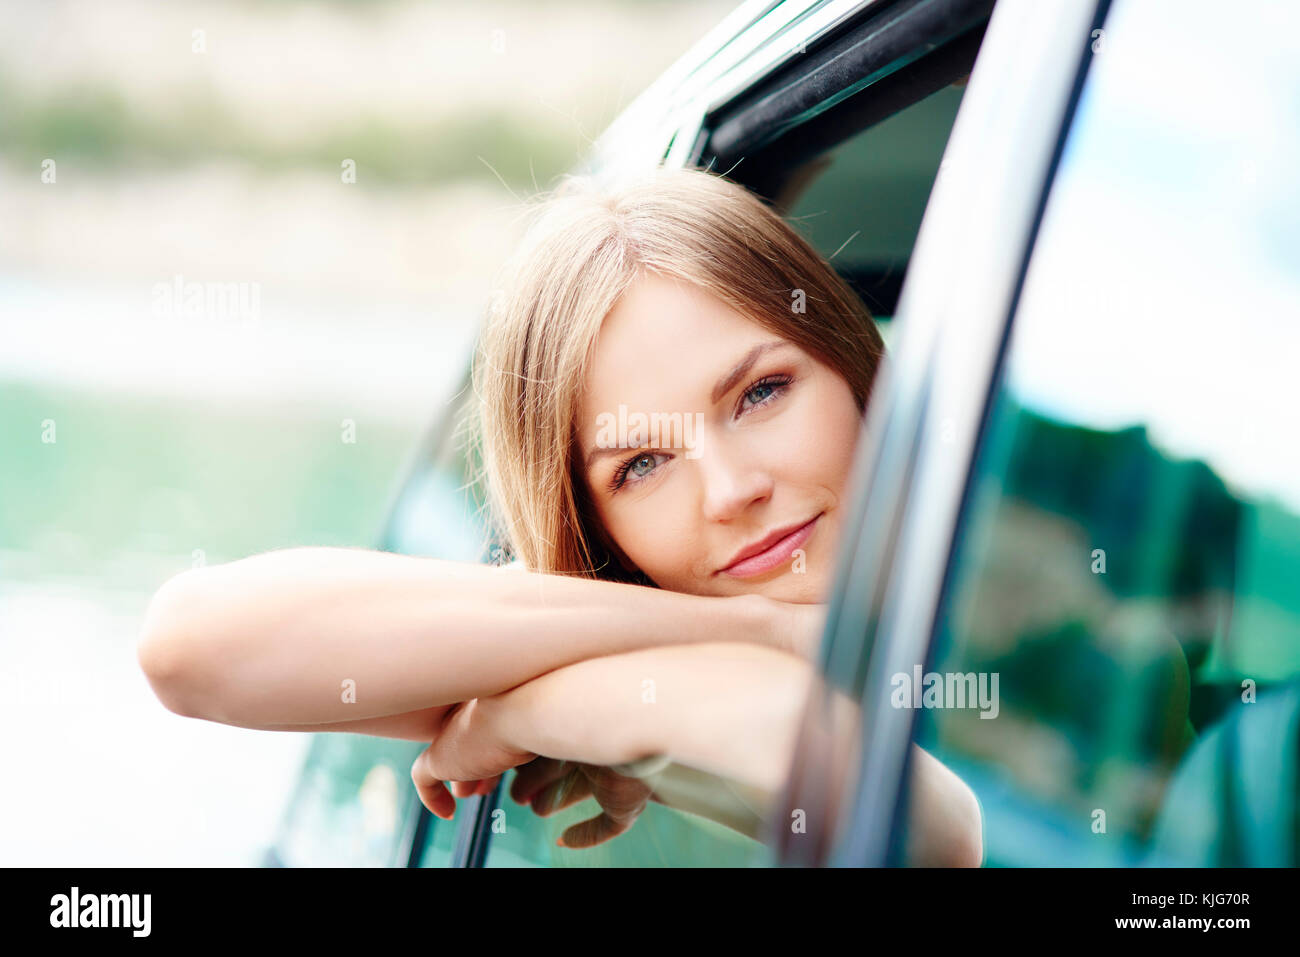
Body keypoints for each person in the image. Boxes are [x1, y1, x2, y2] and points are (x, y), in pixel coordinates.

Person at [137, 165, 983, 865]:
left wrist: (535, 711)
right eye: (642, 464)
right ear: (597, 532)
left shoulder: (1035, 561)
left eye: (761, 392)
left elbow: (943, 833)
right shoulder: (600, 629)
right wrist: (759, 633)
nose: (730, 491)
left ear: (852, 365)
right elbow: (190, 646)